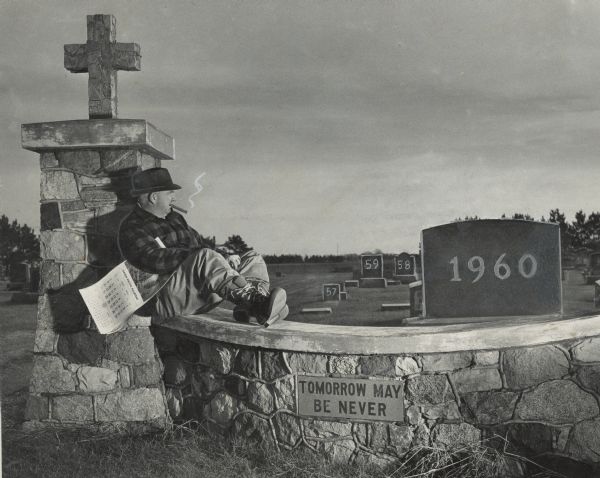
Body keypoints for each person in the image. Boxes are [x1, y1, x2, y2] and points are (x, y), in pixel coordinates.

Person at [118, 167, 288, 327]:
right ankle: (257, 305)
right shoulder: (132, 227)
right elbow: (153, 260)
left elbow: (202, 244)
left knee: (252, 258)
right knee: (204, 256)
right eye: (170, 193)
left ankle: (254, 305)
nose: (174, 198)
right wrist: (198, 254)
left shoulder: (174, 217)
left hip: (196, 290)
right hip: (166, 298)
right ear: (154, 197)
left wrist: (223, 256)